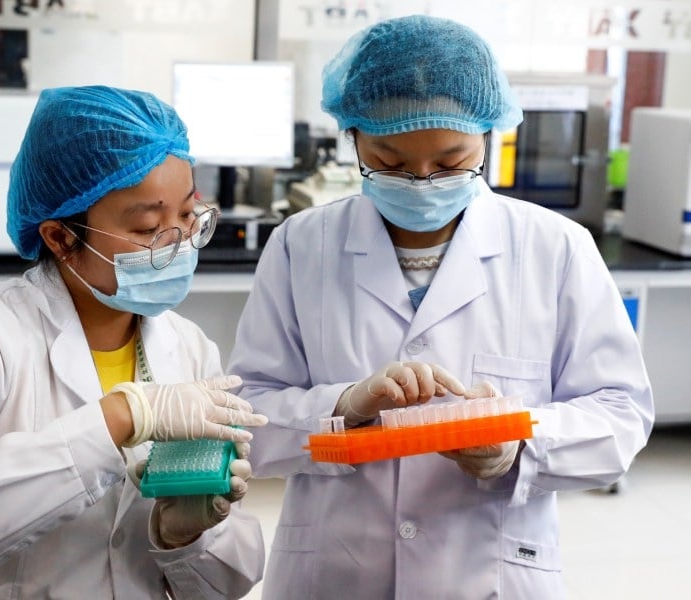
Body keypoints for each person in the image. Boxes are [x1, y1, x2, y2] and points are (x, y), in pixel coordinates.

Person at [228, 15, 654, 599]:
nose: (422, 180)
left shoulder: (553, 247)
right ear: (351, 136)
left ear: (488, 134)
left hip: (490, 572)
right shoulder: (303, 245)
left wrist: (516, 443)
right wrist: (344, 406)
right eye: (393, 161)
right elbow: (248, 415)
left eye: (450, 162)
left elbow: (620, 412)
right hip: (337, 569)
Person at [0, 85, 268, 598]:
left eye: (189, 215)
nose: (179, 243)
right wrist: (122, 417)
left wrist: (185, 536)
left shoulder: (189, 350)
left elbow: (225, 586)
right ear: (61, 238)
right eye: (149, 226)